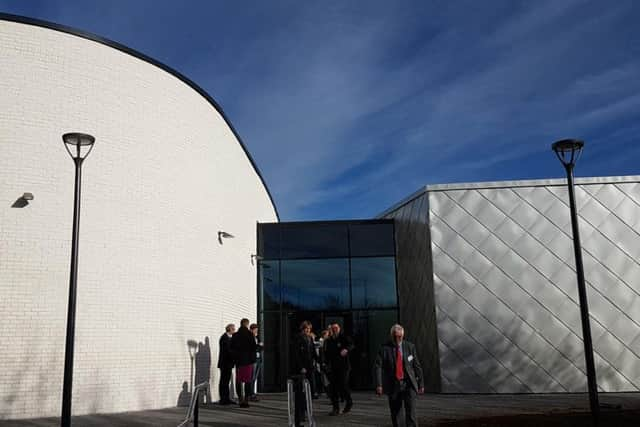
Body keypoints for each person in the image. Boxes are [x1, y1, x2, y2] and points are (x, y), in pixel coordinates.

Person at [375, 324, 424, 427]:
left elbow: (417, 366)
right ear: (391, 335)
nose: (397, 339)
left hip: (409, 383)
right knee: (396, 414)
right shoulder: (384, 348)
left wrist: (421, 384)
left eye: (400, 337)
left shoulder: (410, 347)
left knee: (411, 413)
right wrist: (379, 385)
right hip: (393, 385)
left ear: (403, 335)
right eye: (395, 336)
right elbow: (378, 367)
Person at [290, 320, 316, 427]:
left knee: (310, 389)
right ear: (302, 328)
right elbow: (296, 354)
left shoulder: (310, 338)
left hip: (310, 367)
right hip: (302, 368)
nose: (307, 330)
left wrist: (318, 361)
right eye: (306, 328)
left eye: (309, 329)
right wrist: (301, 367)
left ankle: (306, 410)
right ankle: (301, 414)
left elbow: (313, 352)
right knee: (301, 391)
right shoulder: (298, 338)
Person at [324, 323, 354, 415]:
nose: (334, 330)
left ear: (339, 329)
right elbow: (326, 354)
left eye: (336, 328)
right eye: (333, 328)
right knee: (333, 387)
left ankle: (349, 402)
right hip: (333, 367)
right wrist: (325, 364)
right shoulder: (329, 341)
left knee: (343, 385)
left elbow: (352, 345)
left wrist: (347, 349)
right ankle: (335, 408)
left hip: (344, 367)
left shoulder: (344, 337)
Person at [230, 318, 257, 408]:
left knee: (239, 380)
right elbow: (254, 348)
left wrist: (235, 358)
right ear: (247, 325)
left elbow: (231, 348)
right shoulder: (250, 334)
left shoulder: (235, 335)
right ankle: (246, 399)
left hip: (239, 361)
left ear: (240, 324)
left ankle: (240, 398)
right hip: (248, 361)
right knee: (247, 380)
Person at [217, 324, 236, 405]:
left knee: (226, 381)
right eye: (233, 329)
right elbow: (228, 351)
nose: (234, 331)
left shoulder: (228, 338)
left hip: (228, 363)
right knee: (224, 381)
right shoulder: (224, 338)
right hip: (225, 363)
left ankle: (226, 398)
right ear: (230, 329)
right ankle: (223, 399)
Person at [249, 323, 263, 402]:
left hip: (258, 359)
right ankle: (251, 394)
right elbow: (252, 348)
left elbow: (261, 347)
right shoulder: (249, 337)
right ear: (251, 330)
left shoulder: (257, 337)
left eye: (257, 330)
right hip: (253, 359)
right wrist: (258, 345)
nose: (256, 331)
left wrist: (259, 345)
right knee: (252, 377)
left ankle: (253, 393)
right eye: (255, 330)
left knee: (255, 377)